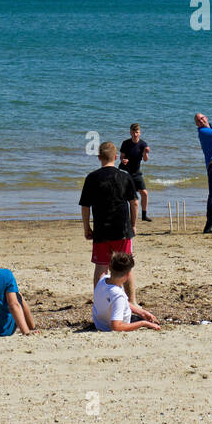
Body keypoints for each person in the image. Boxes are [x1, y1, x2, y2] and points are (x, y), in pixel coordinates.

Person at [80, 141, 140, 297]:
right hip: (122, 229)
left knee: (101, 267)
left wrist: (87, 228)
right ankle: (132, 300)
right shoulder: (125, 176)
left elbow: (85, 206)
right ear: (116, 157)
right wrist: (133, 225)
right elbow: (134, 203)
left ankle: (99, 301)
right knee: (126, 266)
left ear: (99, 157)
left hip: (101, 229)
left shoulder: (92, 178)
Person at [93, 251, 161, 332]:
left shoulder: (103, 280)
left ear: (109, 267)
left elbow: (116, 302)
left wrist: (141, 312)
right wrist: (143, 323)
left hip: (100, 324)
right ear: (128, 274)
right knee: (146, 322)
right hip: (114, 327)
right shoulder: (118, 295)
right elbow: (116, 327)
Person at [119, 123, 152, 223]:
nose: (135, 134)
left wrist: (145, 153)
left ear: (139, 133)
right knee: (123, 195)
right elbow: (121, 157)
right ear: (130, 132)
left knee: (144, 193)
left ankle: (144, 215)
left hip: (136, 173)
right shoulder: (125, 143)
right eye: (133, 132)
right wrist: (123, 160)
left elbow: (145, 160)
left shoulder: (143, 144)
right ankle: (122, 214)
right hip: (124, 171)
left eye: (137, 132)